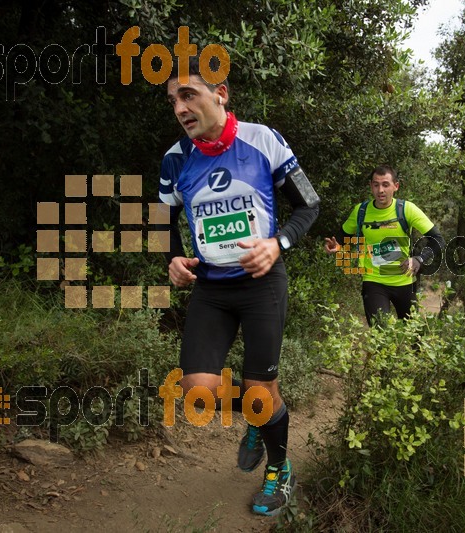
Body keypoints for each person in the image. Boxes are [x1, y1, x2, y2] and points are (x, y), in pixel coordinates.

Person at [158, 57, 319, 517]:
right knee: (198, 393)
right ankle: (256, 414)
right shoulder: (175, 158)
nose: (180, 108)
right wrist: (171, 256)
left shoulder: (263, 139)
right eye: (173, 101)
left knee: (260, 390)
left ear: (220, 94)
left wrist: (278, 242)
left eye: (189, 95)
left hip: (261, 283)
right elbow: (163, 220)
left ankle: (280, 469)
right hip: (211, 289)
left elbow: (309, 203)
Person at [323, 165, 445, 326]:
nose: (380, 190)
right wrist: (335, 246)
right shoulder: (361, 211)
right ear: (370, 186)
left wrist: (419, 259)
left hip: (404, 282)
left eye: (385, 184)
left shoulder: (406, 210)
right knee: (381, 334)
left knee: (415, 340)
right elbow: (342, 238)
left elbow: (437, 239)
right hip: (373, 282)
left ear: (396, 186)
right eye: (376, 184)